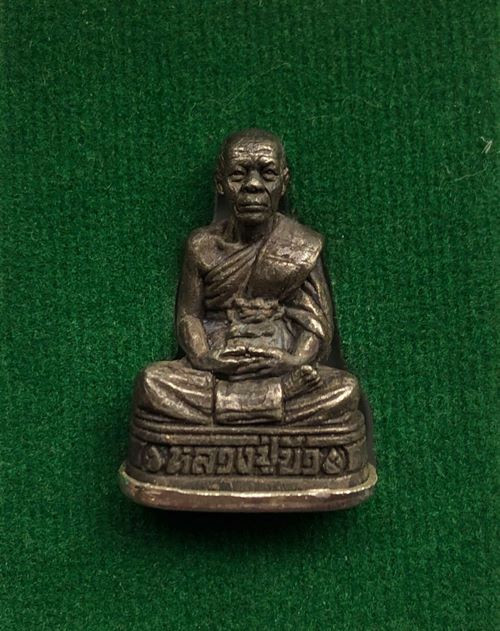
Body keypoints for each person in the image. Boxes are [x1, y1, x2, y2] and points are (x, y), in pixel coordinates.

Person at [134, 129, 360, 426]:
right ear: (220, 183)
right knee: (152, 383)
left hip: (279, 360)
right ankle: (277, 400)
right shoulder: (201, 247)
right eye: (239, 175)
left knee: (345, 389)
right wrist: (204, 358)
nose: (253, 185)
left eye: (268, 174)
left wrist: (293, 361)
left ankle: (227, 409)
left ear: (284, 182)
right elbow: (189, 316)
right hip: (221, 363)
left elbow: (315, 322)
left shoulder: (301, 245)